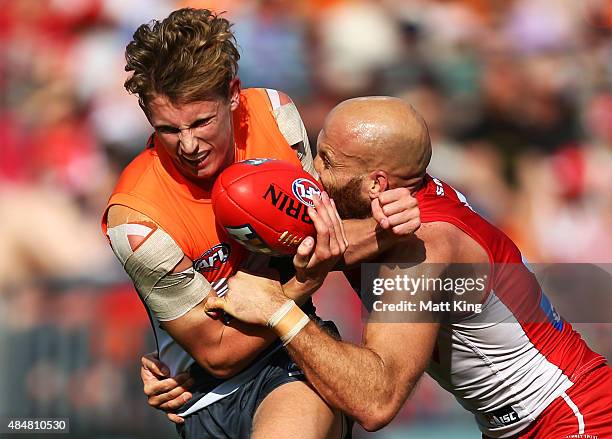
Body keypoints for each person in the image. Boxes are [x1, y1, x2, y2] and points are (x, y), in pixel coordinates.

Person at [179, 97, 609, 438]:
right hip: (529, 422)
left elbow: (376, 401)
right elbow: (323, 252)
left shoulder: (425, 246)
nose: (310, 171)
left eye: (327, 161)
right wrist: (193, 373)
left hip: (571, 415)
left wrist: (278, 311)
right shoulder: (386, 214)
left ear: (376, 184)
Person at [102, 8, 420, 439]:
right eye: (169, 129)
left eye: (201, 121)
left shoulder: (276, 116)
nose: (190, 145)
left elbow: (325, 233)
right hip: (202, 394)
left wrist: (389, 219)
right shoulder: (137, 220)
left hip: (293, 356)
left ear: (233, 94)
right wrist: (301, 285)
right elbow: (215, 354)